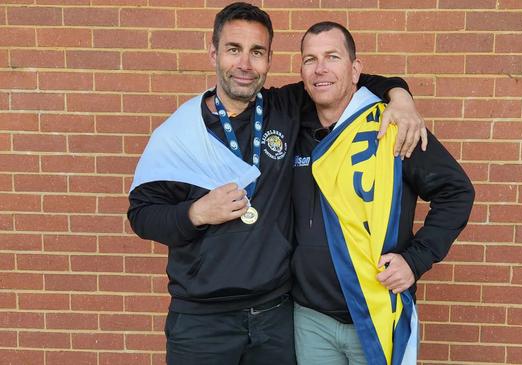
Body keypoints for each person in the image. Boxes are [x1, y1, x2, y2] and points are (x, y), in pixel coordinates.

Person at [127, 3, 426, 365]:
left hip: (274, 317)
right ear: (213, 53)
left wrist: (400, 96)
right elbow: (142, 216)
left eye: (257, 53)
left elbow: (344, 80)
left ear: (269, 60)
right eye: (233, 49)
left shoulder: (285, 107)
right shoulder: (180, 133)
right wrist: (196, 213)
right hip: (202, 322)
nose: (244, 64)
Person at [291, 22, 475, 365]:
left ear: (355, 68)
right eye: (310, 59)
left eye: (332, 56)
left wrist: (416, 260)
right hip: (310, 318)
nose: (320, 69)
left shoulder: (392, 124)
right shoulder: (291, 121)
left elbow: (457, 191)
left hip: (375, 310)